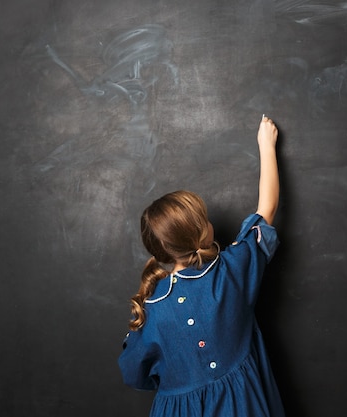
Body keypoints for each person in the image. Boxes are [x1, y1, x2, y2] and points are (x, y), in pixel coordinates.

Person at [118, 115, 285, 417]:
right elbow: (267, 208)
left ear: (160, 252)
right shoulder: (232, 270)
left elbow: (134, 373)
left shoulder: (151, 306)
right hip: (243, 407)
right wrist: (266, 145)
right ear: (203, 232)